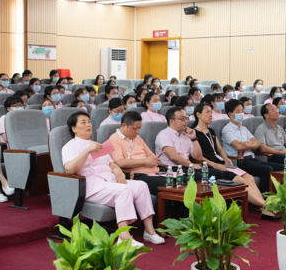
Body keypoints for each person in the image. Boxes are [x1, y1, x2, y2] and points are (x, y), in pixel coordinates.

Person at [61, 112, 161, 247]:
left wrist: (118, 171)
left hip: (109, 181)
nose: (88, 125)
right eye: (83, 122)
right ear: (74, 128)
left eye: (89, 121)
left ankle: (149, 231)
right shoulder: (70, 146)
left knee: (141, 186)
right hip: (91, 186)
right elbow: (70, 169)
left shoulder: (98, 145)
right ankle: (123, 236)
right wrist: (86, 151)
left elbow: (111, 163)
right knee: (124, 190)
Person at [183, 103, 270, 214]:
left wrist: (225, 158)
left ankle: (262, 207)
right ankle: (265, 205)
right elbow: (197, 157)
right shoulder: (194, 133)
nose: (211, 115)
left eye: (211, 112)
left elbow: (219, 149)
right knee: (241, 180)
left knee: (249, 178)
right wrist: (215, 164)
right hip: (209, 164)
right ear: (198, 115)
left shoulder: (211, 131)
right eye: (207, 112)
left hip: (222, 162)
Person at [107, 110, 167, 198]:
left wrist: (155, 159)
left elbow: (150, 155)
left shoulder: (137, 137)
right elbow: (119, 162)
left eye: (139, 128)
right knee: (169, 183)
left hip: (154, 171)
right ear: (124, 125)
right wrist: (145, 161)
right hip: (137, 175)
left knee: (182, 179)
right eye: (134, 129)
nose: (138, 132)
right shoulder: (113, 139)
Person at [221, 99, 275, 192]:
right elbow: (238, 147)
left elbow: (257, 142)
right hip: (241, 162)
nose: (241, 113)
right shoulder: (227, 130)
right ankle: (264, 199)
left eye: (242, 110)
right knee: (267, 170)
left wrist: (247, 144)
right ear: (230, 114)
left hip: (253, 159)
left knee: (280, 167)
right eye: (238, 111)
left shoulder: (244, 128)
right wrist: (250, 144)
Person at [255, 103, 286, 168]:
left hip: (285, 155)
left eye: (276, 109)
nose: (277, 111)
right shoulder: (261, 129)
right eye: (273, 110)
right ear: (266, 115)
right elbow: (263, 148)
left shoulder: (279, 128)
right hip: (273, 156)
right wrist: (280, 152)